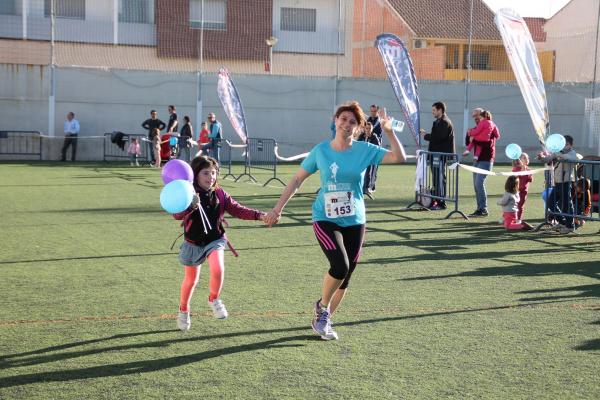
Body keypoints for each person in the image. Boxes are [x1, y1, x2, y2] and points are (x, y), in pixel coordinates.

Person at [264, 101, 407, 341]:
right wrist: (278, 209)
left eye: (353, 121)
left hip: (355, 219)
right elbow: (297, 179)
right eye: (343, 119)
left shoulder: (364, 150)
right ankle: (322, 307)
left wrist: (389, 130)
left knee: (347, 273)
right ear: (335, 120)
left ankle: (324, 317)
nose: (347, 124)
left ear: (359, 127)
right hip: (325, 217)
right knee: (339, 266)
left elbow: (399, 158)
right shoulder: (321, 151)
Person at [172, 156, 267, 331]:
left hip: (215, 239)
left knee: (218, 268)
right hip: (193, 243)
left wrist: (260, 215)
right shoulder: (188, 193)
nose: (211, 177)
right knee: (191, 280)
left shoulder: (220, 194)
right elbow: (176, 215)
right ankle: (184, 309)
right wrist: (190, 206)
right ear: (195, 174)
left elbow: (238, 209)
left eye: (213, 173)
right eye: (205, 173)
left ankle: (214, 299)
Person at [538, 135, 578, 233]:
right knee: (550, 202)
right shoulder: (558, 152)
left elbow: (573, 159)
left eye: (567, 144)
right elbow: (547, 159)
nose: (565, 146)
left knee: (567, 205)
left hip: (566, 182)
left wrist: (559, 154)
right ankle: (562, 222)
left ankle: (570, 226)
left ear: (571, 145)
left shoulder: (572, 153)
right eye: (564, 144)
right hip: (557, 183)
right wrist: (542, 157)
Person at [420, 101, 455, 210]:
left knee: (439, 178)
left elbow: (438, 137)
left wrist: (425, 135)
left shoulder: (445, 122)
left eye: (434, 110)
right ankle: (436, 200)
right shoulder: (437, 122)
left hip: (441, 156)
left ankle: (441, 202)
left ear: (440, 110)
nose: (433, 112)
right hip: (435, 155)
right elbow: (435, 139)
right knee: (436, 178)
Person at [468, 108, 500, 217]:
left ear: (483, 116)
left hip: (486, 160)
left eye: (477, 115)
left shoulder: (489, 127)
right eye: (473, 116)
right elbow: (468, 141)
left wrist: (474, 139)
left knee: (479, 183)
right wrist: (470, 135)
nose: (475, 117)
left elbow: (488, 144)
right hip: (477, 160)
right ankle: (479, 208)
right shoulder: (476, 128)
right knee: (476, 185)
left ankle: (483, 209)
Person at [364, 105, 383, 194]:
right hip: (367, 148)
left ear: (377, 111)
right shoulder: (368, 121)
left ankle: (371, 187)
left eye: (374, 111)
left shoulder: (380, 121)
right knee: (366, 168)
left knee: (374, 167)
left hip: (376, 146)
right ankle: (365, 186)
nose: (372, 113)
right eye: (371, 111)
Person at [512, 152, 532, 221]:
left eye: (527, 158)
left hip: (523, 192)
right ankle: (507, 217)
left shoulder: (529, 170)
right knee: (512, 205)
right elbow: (515, 177)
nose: (526, 159)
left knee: (520, 206)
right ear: (519, 160)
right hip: (515, 191)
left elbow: (530, 179)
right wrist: (522, 169)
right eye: (524, 158)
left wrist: (526, 171)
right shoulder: (516, 169)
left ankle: (518, 219)